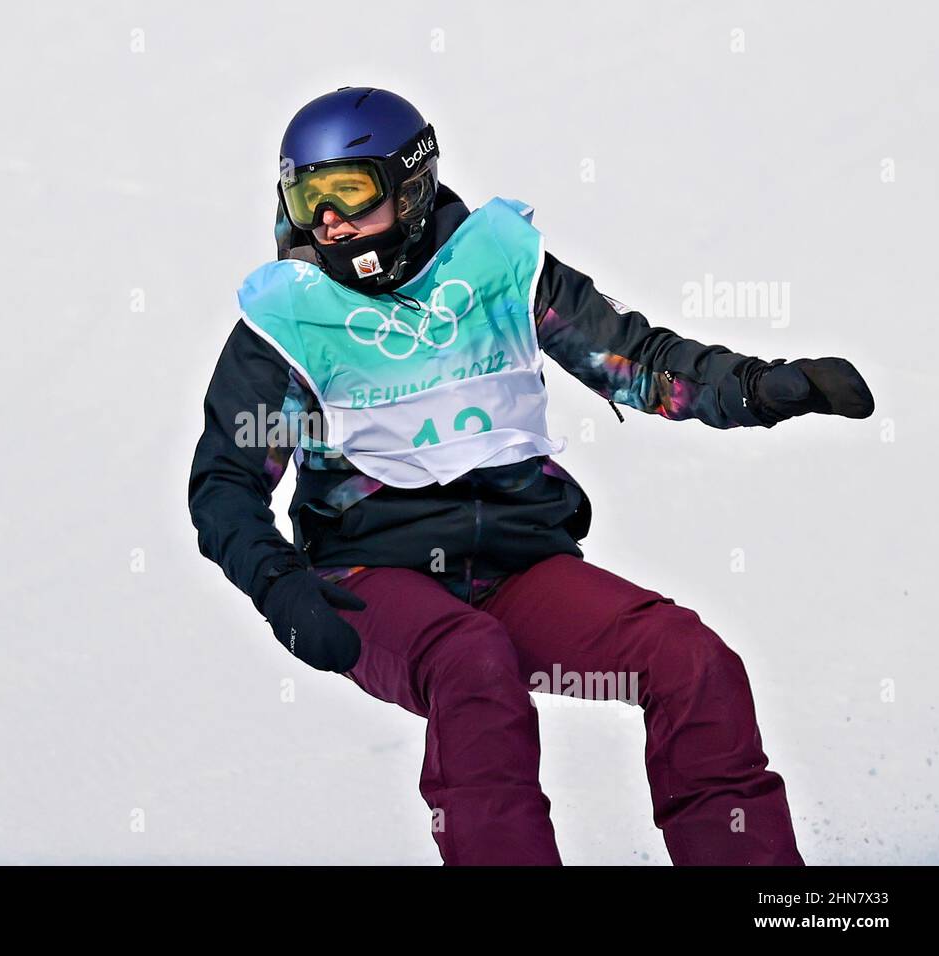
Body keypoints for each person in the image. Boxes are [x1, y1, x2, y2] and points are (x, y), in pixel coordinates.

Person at [187, 87, 874, 865]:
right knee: (470, 664)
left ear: (409, 186)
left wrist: (756, 388)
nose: (330, 224)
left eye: (349, 193)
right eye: (308, 199)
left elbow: (635, 361)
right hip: (371, 576)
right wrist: (280, 583)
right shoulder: (287, 323)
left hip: (515, 561)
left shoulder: (501, 270)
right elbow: (226, 484)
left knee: (690, 659)